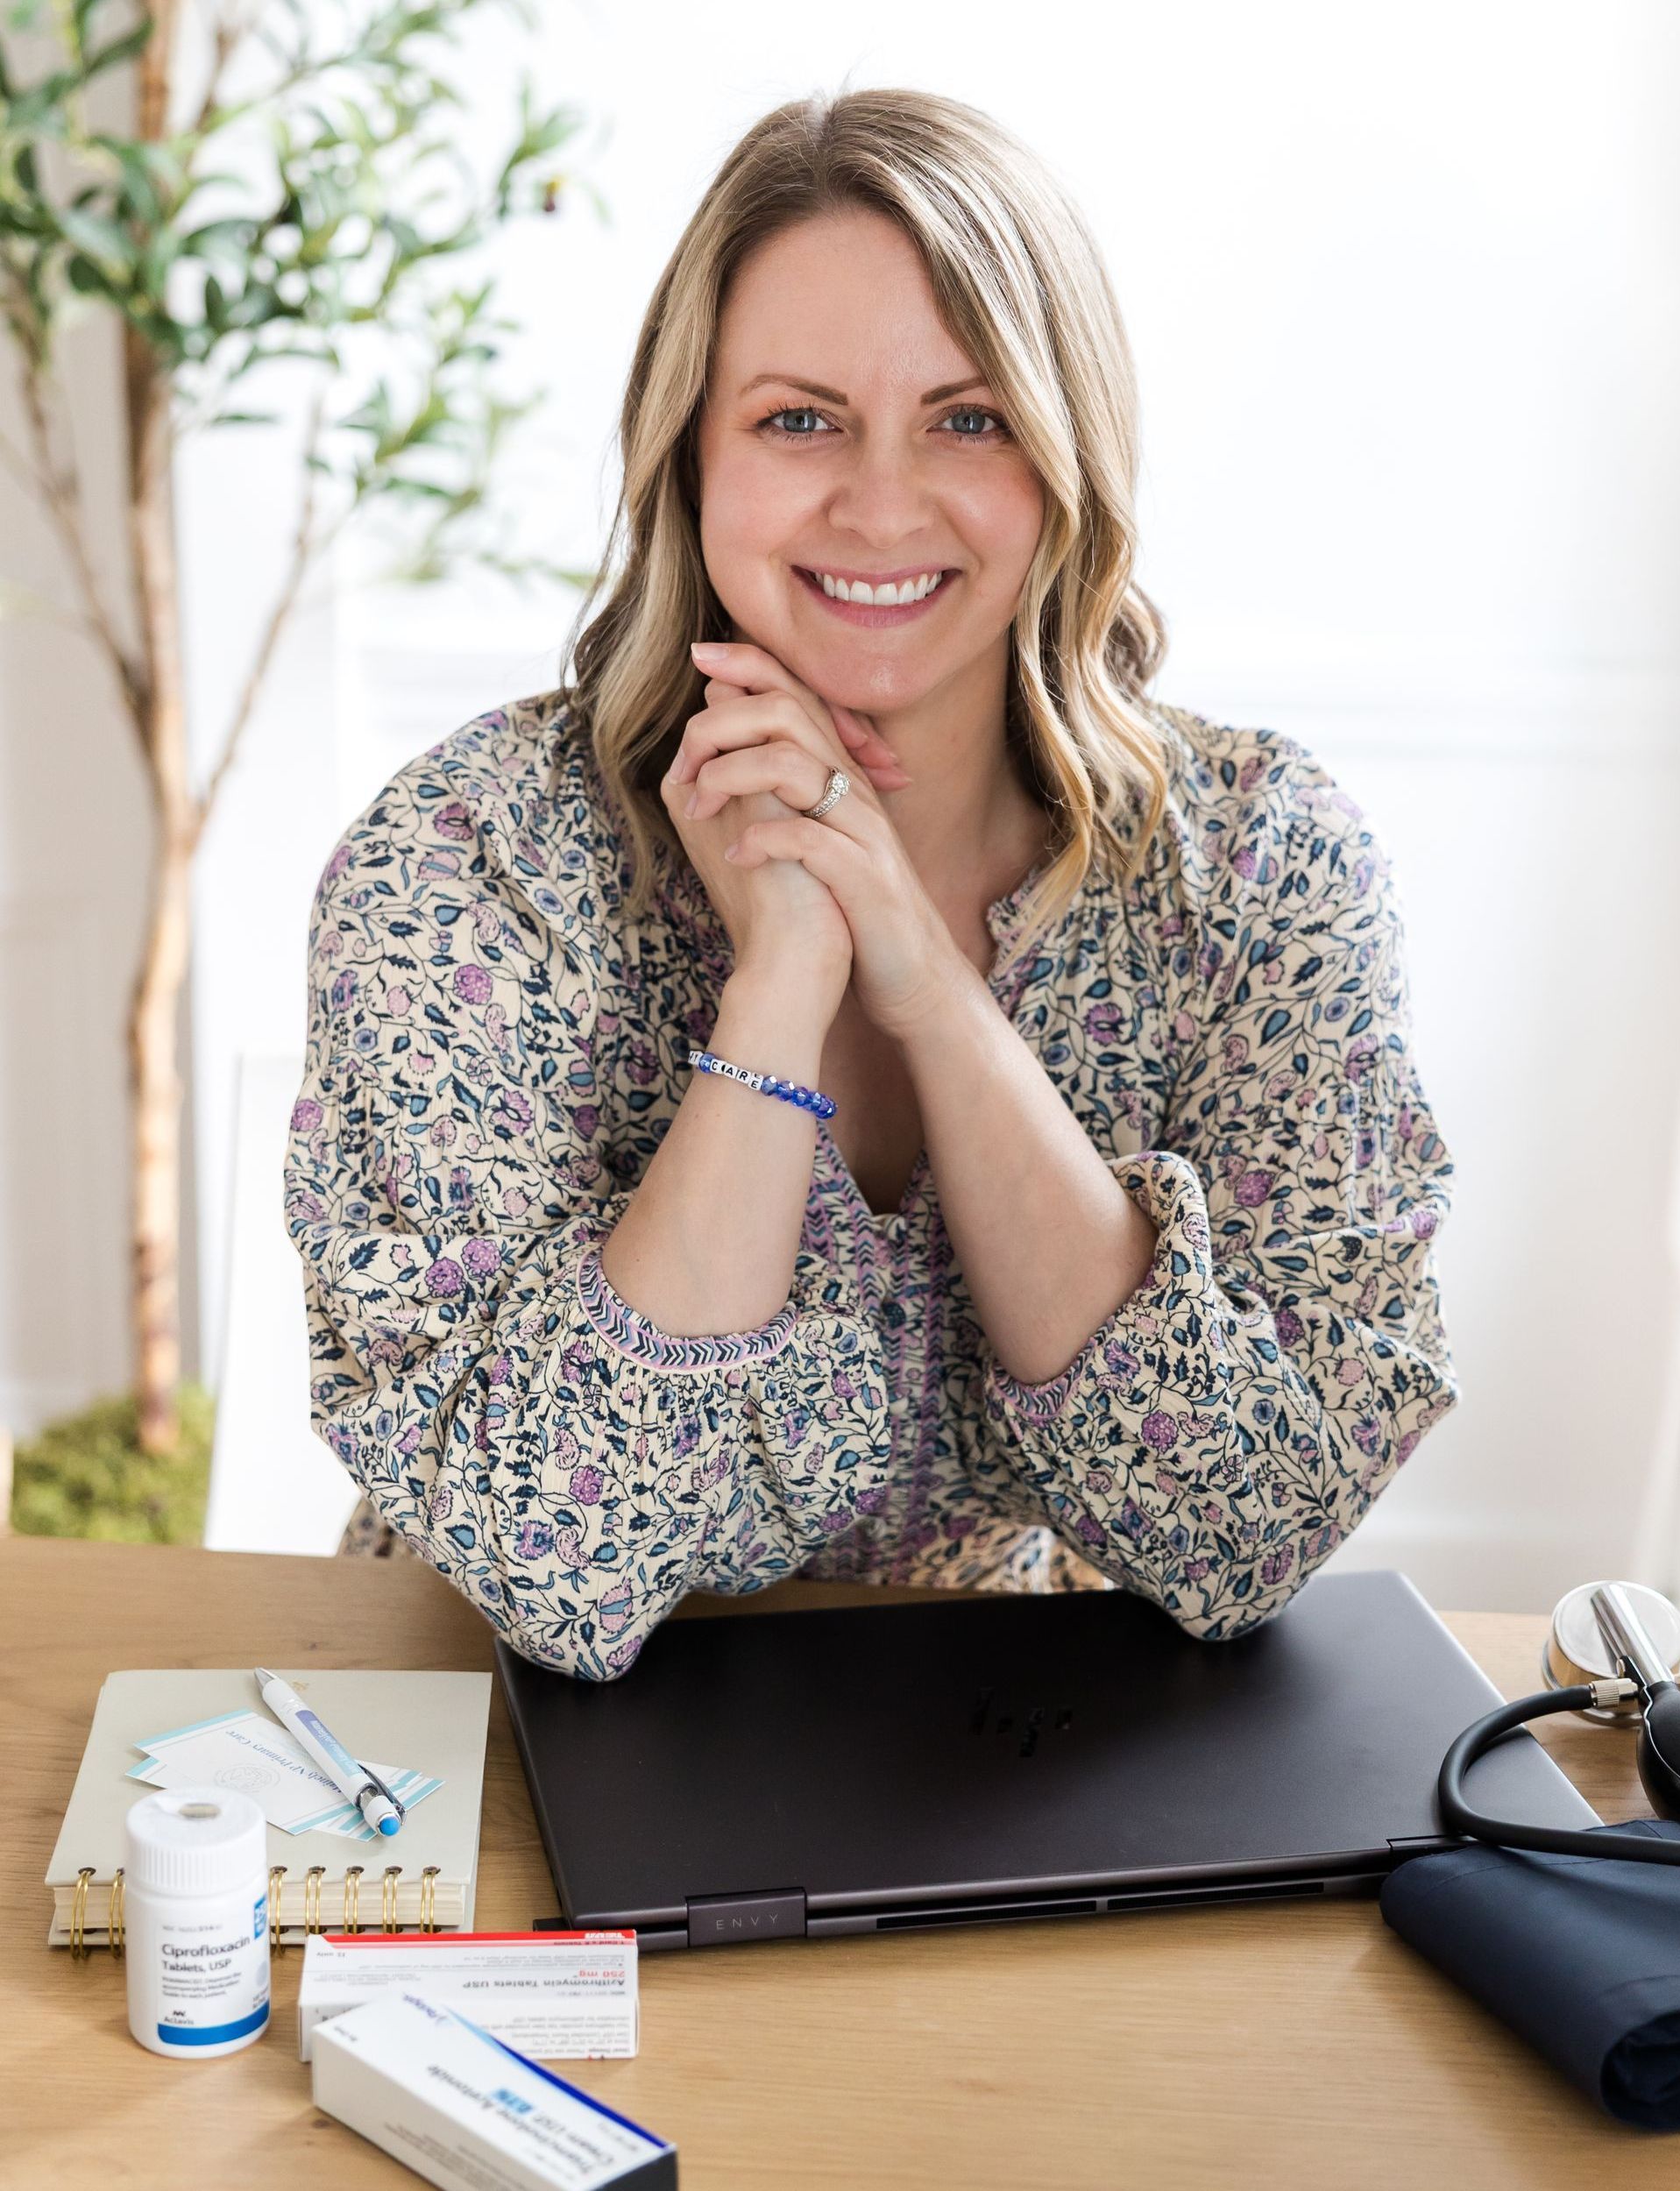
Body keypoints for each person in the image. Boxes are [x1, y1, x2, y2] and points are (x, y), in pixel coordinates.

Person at [285, 88, 1459, 1679]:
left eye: (968, 419)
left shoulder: (1257, 866)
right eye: (798, 417)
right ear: (688, 453)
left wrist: (922, 978)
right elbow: (556, 1567)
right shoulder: (466, 867)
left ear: (1064, 461)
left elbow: (1240, 1527)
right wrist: (781, 982)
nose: (883, 504)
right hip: (488, 1733)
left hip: (982, 1749)